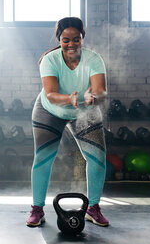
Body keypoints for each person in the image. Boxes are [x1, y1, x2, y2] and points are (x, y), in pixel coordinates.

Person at [26, 17, 109, 227]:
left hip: (85, 111)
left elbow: (101, 90)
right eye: (66, 40)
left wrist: (94, 97)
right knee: (44, 157)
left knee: (98, 158)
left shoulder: (94, 59)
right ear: (59, 40)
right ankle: (37, 209)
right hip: (50, 109)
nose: (71, 44)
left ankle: (93, 208)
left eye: (76, 39)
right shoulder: (50, 60)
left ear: (82, 38)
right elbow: (51, 94)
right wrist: (70, 99)